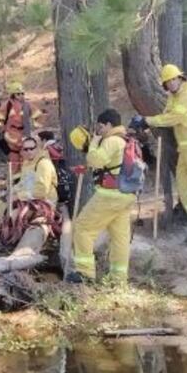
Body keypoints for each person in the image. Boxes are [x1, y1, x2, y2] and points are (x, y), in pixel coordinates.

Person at [141, 64, 187, 245]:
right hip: (186, 148)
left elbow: (175, 118)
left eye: (174, 79)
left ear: (180, 78)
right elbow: (167, 115)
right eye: (168, 82)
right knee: (182, 186)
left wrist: (147, 120)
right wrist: (146, 123)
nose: (172, 83)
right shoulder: (173, 99)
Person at [66, 108, 135, 284]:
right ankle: (118, 278)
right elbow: (111, 165)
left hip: (109, 196)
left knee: (83, 228)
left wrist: (95, 142)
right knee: (120, 237)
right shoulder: (126, 140)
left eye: (100, 126)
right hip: (126, 195)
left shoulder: (111, 140)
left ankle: (85, 273)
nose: (98, 130)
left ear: (109, 125)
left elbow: (96, 160)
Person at [0, 81, 42, 174]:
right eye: (18, 94)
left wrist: (36, 130)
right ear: (13, 95)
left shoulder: (27, 105)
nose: (21, 96)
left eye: (22, 93)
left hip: (25, 137)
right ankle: (13, 184)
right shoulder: (7, 105)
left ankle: (26, 183)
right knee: (14, 163)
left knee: (26, 163)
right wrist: (2, 129)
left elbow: (39, 116)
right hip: (11, 137)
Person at [14, 135, 58, 206]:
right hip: (29, 200)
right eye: (26, 149)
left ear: (37, 148)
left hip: (45, 202)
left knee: (15, 214)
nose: (29, 151)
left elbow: (42, 191)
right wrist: (13, 191)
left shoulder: (44, 163)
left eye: (32, 148)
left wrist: (20, 196)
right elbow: (23, 182)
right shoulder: (26, 163)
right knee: (2, 204)